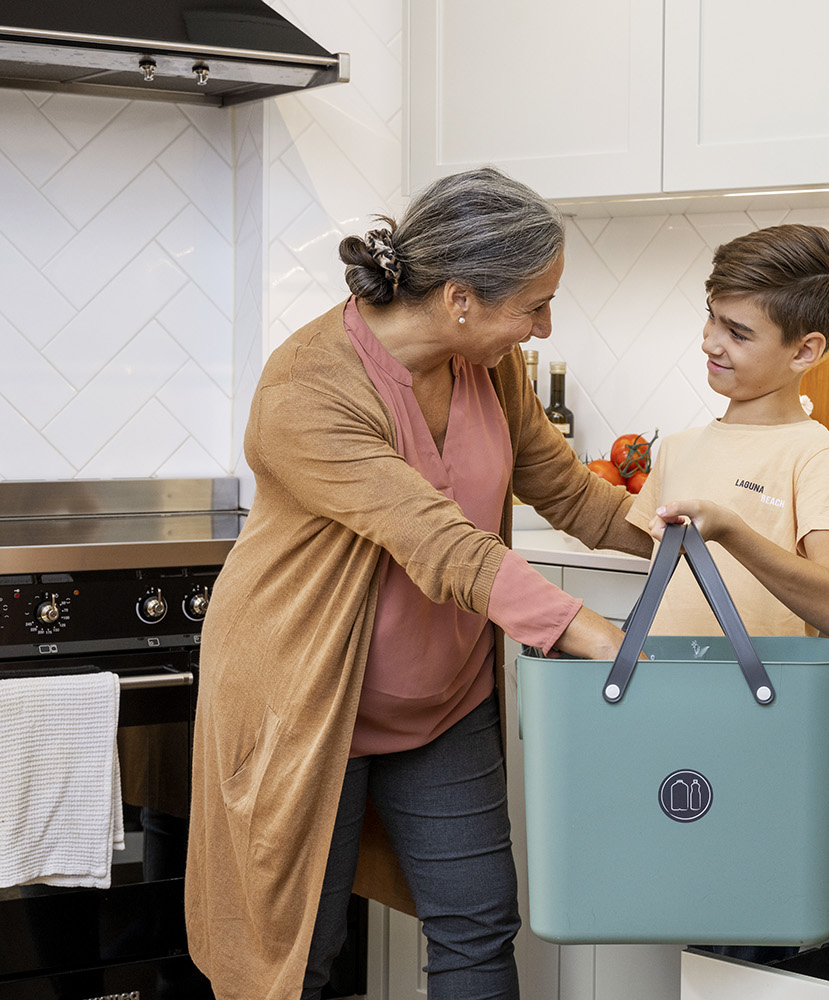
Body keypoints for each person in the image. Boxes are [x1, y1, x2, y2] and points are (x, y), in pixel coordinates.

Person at [184, 166, 653, 1000]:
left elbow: (567, 491)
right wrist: (583, 629)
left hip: (444, 701)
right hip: (308, 700)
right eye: (533, 306)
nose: (543, 327)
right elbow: (436, 541)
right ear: (461, 298)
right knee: (295, 959)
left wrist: (672, 537)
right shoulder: (308, 386)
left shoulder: (491, 370)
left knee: (478, 925)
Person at [627, 223, 829, 964]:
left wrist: (733, 532)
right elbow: (651, 566)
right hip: (671, 716)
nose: (711, 341)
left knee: (750, 932)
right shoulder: (679, 449)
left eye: (737, 330)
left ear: (805, 351)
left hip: (758, 725)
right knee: (685, 918)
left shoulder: (813, 454)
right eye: (711, 317)